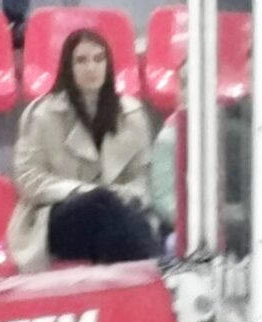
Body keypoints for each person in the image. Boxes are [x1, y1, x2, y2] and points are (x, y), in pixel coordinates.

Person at [10, 27, 160, 270]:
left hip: (115, 214)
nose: (91, 68)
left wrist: (122, 194)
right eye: (81, 60)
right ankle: (159, 277)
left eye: (99, 59)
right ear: (68, 67)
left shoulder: (132, 114)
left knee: (111, 218)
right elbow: (29, 179)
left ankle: (123, 287)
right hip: (55, 218)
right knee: (102, 204)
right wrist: (83, 191)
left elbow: (142, 178)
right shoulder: (42, 115)